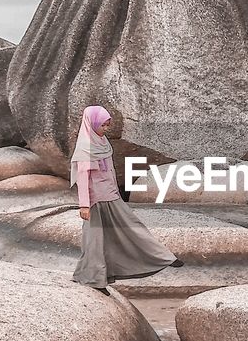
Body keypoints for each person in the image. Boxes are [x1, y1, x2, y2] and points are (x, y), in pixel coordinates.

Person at [69, 105, 181, 292]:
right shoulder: (85, 149)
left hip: (111, 196)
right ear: (92, 123)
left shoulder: (102, 142)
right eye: (103, 125)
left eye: (107, 125)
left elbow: (110, 172)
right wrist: (84, 205)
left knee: (132, 225)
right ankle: (94, 279)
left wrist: (116, 192)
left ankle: (163, 257)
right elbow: (82, 179)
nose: (106, 129)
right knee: (94, 240)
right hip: (95, 201)